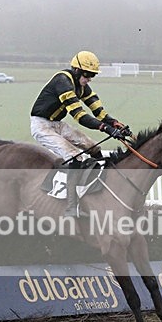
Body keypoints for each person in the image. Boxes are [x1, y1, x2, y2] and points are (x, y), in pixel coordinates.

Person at [30, 51, 130, 217]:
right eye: (87, 74)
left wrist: (114, 123)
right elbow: (80, 116)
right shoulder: (62, 82)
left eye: (92, 75)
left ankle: (98, 187)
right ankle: (71, 206)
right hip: (41, 126)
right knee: (75, 157)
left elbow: (98, 111)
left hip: (57, 124)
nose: (90, 79)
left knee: (93, 147)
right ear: (76, 70)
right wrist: (105, 128)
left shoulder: (82, 86)